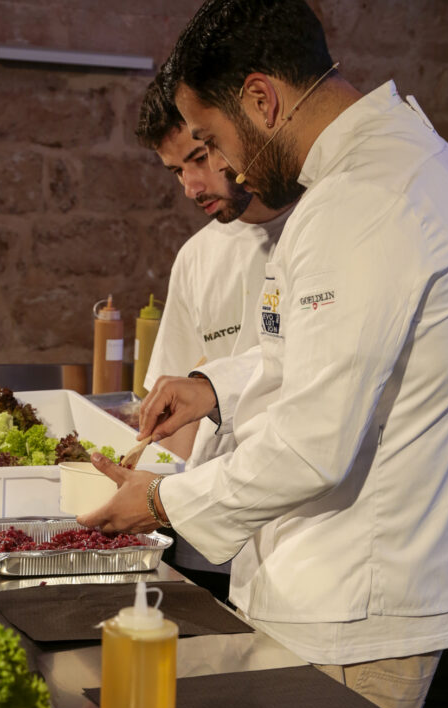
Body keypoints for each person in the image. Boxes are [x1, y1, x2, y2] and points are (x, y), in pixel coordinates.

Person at [79, 0, 448, 708]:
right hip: (331, 588)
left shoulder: (362, 198)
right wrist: (212, 386)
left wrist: (161, 499)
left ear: (261, 99)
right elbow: (318, 357)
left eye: (210, 141)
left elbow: (312, 444)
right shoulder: (393, 162)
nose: (224, 168)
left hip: (349, 603)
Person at [136, 74, 294, 599]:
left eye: (199, 158)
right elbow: (172, 414)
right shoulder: (197, 257)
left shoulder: (315, 230)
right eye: (176, 171)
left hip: (296, 535)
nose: (191, 186)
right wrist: (148, 494)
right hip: (204, 539)